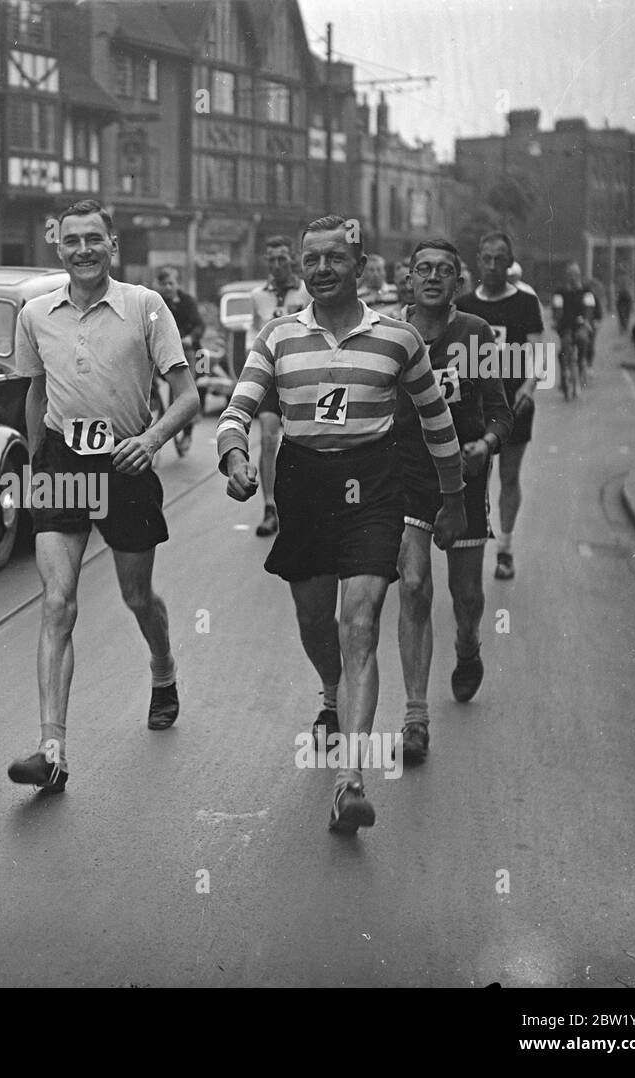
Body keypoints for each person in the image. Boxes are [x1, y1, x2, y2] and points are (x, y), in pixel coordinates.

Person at [217, 214, 466, 834]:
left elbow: (437, 423)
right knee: (314, 620)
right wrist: (235, 456)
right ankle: (330, 694)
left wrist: (454, 497)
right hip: (304, 483)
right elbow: (236, 410)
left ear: (360, 265)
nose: (322, 271)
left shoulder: (396, 339)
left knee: (359, 621)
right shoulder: (276, 338)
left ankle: (351, 779)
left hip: (373, 486)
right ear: (301, 269)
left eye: (335, 259)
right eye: (312, 261)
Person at [9, 199, 199, 792]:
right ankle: (51, 748)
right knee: (57, 602)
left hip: (127, 462)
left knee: (136, 596)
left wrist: (151, 439)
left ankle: (163, 669)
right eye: (73, 241)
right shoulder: (35, 313)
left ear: (112, 246)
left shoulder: (145, 306)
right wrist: (37, 461)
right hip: (64, 462)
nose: (84, 250)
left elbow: (188, 396)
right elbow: (35, 394)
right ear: (58, 248)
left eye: (95, 239)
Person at [393, 239, 513, 763]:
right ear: (408, 279)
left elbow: (501, 413)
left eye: (444, 270)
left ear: (458, 282)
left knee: (466, 596)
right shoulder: (391, 335)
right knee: (415, 585)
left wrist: (484, 444)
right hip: (407, 482)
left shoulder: (475, 334)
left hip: (462, 483)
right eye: (424, 269)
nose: (433, 277)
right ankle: (415, 716)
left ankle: (468, 645)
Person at [456, 231, 545, 582]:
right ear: (479, 260)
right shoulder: (465, 305)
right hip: (474, 410)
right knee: (472, 478)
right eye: (487, 258)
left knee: (509, 477)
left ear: (510, 263)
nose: (492, 266)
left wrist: (529, 385)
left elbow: (539, 355)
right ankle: (470, 546)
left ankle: (504, 549)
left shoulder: (525, 303)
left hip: (513, 407)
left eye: (500, 259)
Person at [248, 236, 311, 537]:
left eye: (282, 259)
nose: (276, 265)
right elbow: (252, 332)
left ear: (292, 260)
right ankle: (270, 507)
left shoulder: (306, 291)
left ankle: (304, 506)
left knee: (304, 442)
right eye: (271, 260)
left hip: (303, 377)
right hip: (272, 377)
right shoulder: (257, 295)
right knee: (269, 438)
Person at [155, 266, 206, 454]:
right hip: (164, 352)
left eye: (171, 283)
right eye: (164, 284)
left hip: (191, 350)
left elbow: (200, 325)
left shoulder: (188, 302)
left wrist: (190, 338)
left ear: (177, 284)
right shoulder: (156, 302)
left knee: (192, 386)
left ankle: (188, 431)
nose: (168, 287)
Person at [551, 261, 599, 398]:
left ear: (579, 275)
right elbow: (557, 308)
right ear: (567, 275)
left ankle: (582, 361)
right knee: (565, 346)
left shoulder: (586, 291)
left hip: (580, 324)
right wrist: (556, 320)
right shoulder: (561, 291)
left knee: (582, 339)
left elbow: (590, 308)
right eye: (570, 274)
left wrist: (587, 321)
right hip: (565, 325)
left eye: (575, 274)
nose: (573, 276)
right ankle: (564, 373)